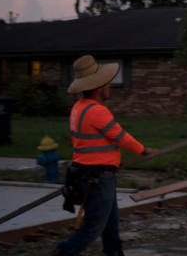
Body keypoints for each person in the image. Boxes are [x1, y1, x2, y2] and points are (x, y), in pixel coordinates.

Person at [52, 55, 156, 256]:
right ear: (99, 87)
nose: (110, 87)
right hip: (98, 177)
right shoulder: (97, 111)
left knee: (110, 220)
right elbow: (122, 138)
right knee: (94, 225)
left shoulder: (78, 108)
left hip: (86, 173)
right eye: (108, 83)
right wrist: (144, 150)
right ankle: (63, 253)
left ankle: (114, 252)